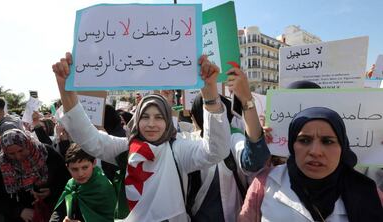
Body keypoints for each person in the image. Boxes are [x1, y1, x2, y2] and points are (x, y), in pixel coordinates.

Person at [52, 52, 231, 222]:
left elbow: (216, 151)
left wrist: (209, 92)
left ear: (168, 122)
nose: (151, 124)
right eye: (145, 117)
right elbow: (89, 139)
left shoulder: (177, 149)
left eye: (159, 117)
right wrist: (65, 89)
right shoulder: (126, 149)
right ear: (136, 121)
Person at [238, 107, 383, 222]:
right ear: (292, 145)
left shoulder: (369, 192)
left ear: (342, 148)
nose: (315, 152)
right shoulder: (264, 184)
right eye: (304, 140)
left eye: (328, 141)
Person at [187, 67, 270, 222]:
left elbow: (254, 160)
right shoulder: (188, 142)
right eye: (209, 110)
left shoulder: (233, 138)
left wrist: (247, 101)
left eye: (220, 111)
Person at [0, 129, 70, 222]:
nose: (18, 156)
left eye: (21, 150)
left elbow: (66, 179)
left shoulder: (46, 153)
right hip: (19, 218)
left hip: (51, 212)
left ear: (28, 144)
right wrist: (19, 211)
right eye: (11, 154)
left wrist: (52, 190)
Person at [51, 143, 116, 222]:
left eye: (85, 167)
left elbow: (112, 219)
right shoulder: (71, 185)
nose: (80, 174)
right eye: (74, 169)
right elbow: (59, 212)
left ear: (94, 163)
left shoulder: (104, 188)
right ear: (67, 168)